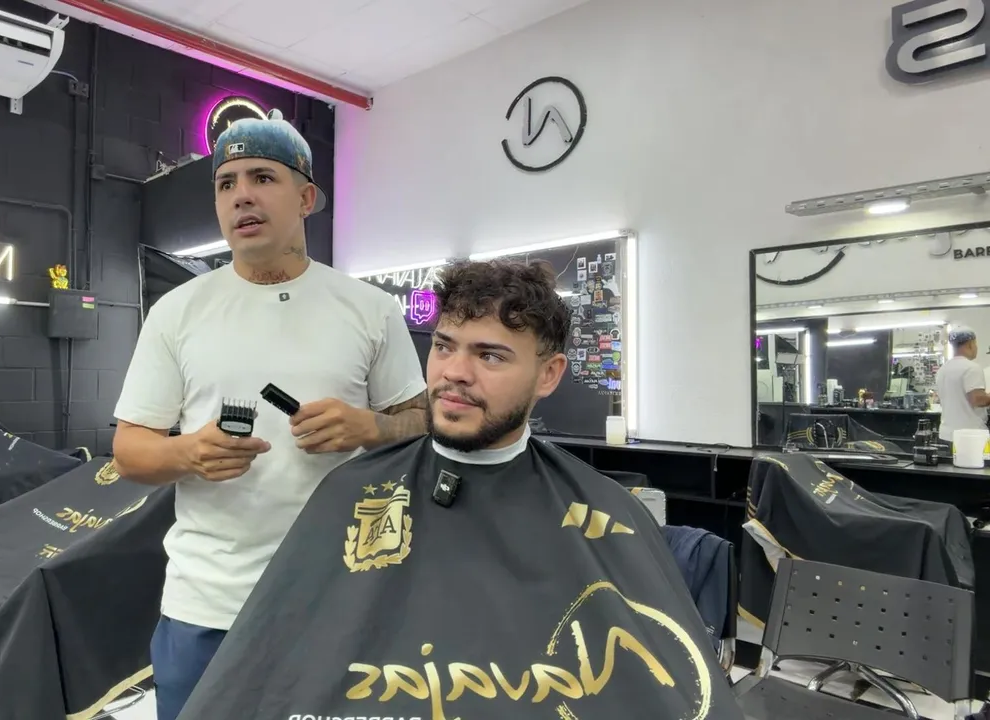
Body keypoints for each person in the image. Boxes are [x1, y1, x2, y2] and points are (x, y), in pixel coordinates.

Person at [176, 259, 745, 720]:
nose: (454, 372)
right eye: (445, 346)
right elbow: (266, 677)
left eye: (490, 355)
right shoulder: (351, 489)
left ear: (548, 375)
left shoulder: (604, 508)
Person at [110, 109, 428, 720]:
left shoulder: (369, 309)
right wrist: (187, 453)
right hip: (209, 604)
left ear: (306, 198)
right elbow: (129, 451)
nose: (241, 196)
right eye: (226, 184)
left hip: (342, 595)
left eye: (262, 177)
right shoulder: (176, 313)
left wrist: (373, 427)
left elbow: (423, 422)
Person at [935, 327, 990, 442]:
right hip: (970, 435)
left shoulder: (942, 370)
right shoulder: (972, 368)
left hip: (946, 434)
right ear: (970, 344)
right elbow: (978, 400)